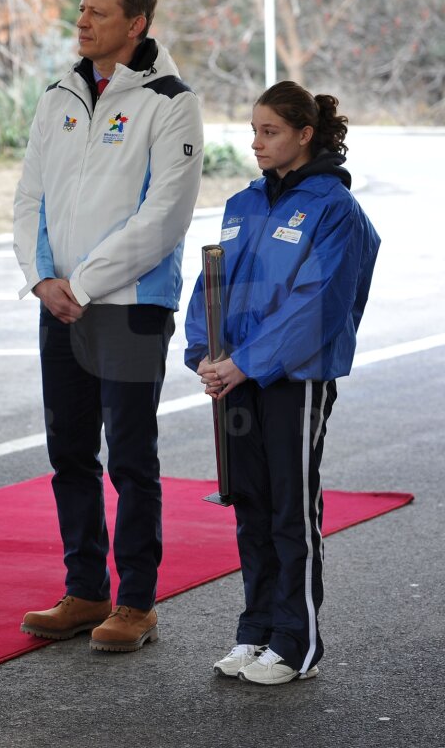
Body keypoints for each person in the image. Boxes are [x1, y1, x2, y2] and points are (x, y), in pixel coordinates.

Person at [12, 0, 204, 652]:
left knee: (129, 455)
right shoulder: (57, 94)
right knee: (69, 452)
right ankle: (87, 588)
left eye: (98, 12)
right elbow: (29, 195)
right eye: (81, 8)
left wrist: (83, 283)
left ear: (137, 24)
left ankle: (137, 602)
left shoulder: (171, 101)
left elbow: (164, 217)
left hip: (128, 304)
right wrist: (41, 278)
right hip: (57, 302)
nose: (82, 21)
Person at [185, 81, 379, 685]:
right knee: (251, 504)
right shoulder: (244, 202)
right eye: (253, 130)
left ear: (304, 135)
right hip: (237, 375)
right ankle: (257, 630)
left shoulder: (334, 210)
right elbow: (213, 282)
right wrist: (204, 352)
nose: (256, 143)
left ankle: (297, 644)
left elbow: (318, 306)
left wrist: (246, 363)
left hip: (294, 377)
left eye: (269, 132)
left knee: (291, 510)